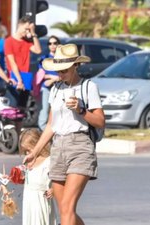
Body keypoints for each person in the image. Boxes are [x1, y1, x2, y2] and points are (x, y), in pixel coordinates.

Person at [23, 43, 105, 225]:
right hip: (58, 147)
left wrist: (81, 109)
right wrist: (35, 152)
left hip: (80, 147)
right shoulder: (56, 89)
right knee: (64, 211)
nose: (60, 74)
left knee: (68, 207)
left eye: (64, 70)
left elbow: (100, 121)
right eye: (58, 71)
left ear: (76, 66)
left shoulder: (88, 87)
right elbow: (52, 125)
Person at [18, 128, 57, 225]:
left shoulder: (48, 161)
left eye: (28, 150)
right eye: (25, 151)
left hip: (41, 200)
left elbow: (60, 179)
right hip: (29, 200)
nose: (27, 153)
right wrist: (13, 178)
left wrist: (54, 189)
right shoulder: (29, 161)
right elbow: (28, 180)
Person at [4, 16, 41, 110]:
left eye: (29, 30)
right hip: (14, 77)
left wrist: (33, 33)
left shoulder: (27, 42)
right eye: (26, 29)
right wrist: (19, 80)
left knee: (22, 108)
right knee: (12, 108)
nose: (27, 32)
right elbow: (12, 63)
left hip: (25, 77)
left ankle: (19, 125)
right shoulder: (9, 41)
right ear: (19, 25)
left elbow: (38, 51)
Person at [37, 35, 61, 131]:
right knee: (44, 112)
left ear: (59, 45)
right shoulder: (44, 58)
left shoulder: (62, 59)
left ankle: (54, 134)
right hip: (46, 88)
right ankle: (42, 134)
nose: (52, 45)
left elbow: (65, 76)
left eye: (55, 43)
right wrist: (51, 77)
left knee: (57, 111)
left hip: (59, 88)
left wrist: (53, 79)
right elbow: (40, 75)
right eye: (50, 43)